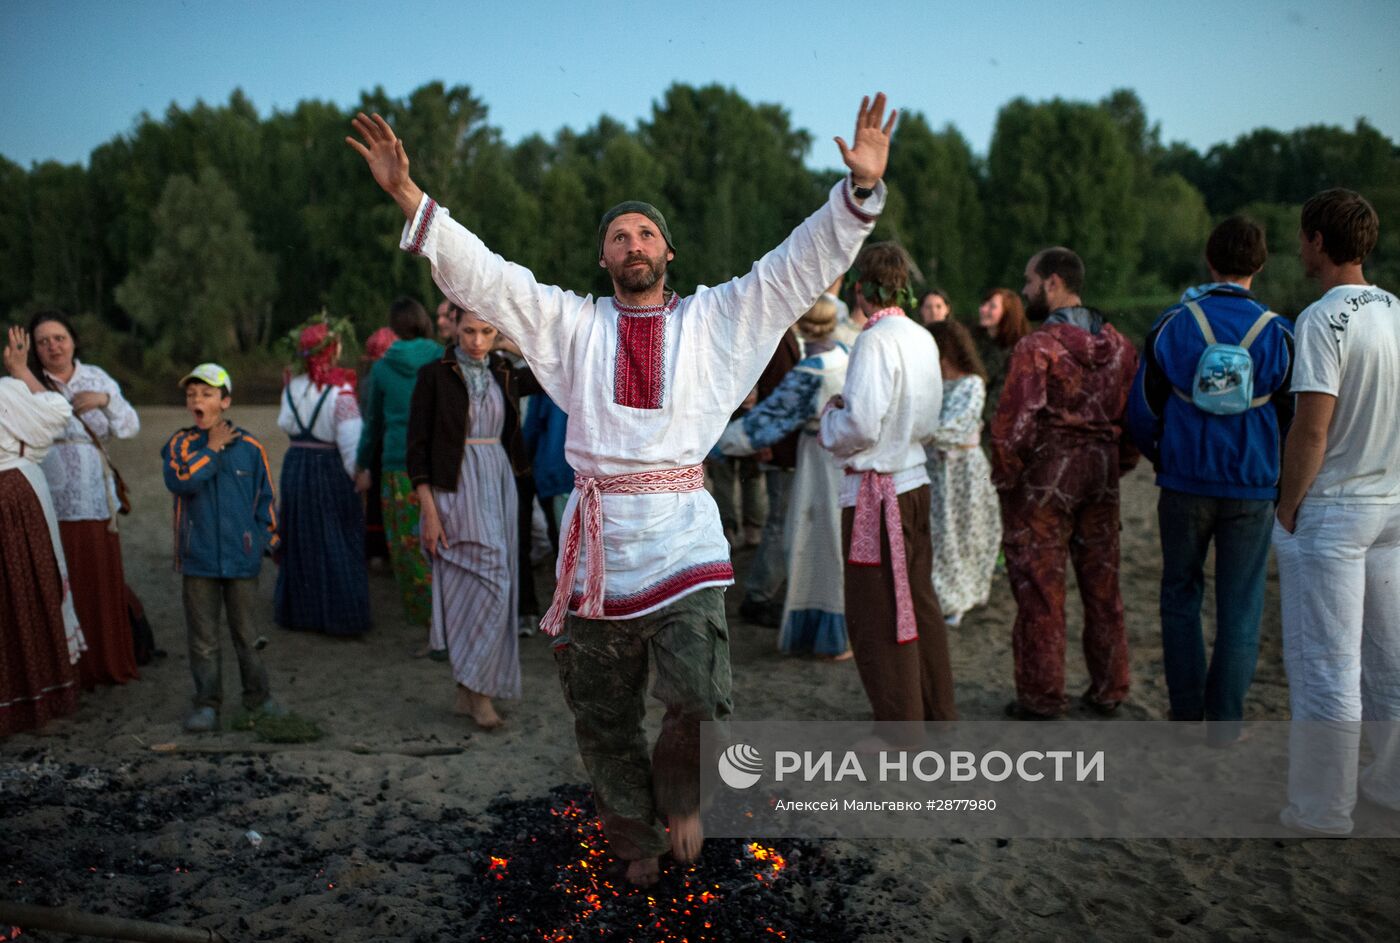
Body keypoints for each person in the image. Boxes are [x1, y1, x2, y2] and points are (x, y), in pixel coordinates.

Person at [348, 91, 895, 885]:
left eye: (645, 233)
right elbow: (489, 277)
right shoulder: (571, 325)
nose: (632, 243)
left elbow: (794, 265)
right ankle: (635, 837)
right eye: (617, 236)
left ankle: (683, 796)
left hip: (684, 542)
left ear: (667, 253)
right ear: (603, 260)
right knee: (603, 719)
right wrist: (407, 194)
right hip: (599, 548)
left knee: (703, 697)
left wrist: (858, 196)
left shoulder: (717, 319)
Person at [1125, 217, 1294, 741]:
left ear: (1208, 259)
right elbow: (1295, 417)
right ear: (1260, 265)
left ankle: (1184, 716)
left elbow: (1140, 409)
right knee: (1241, 606)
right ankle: (1224, 725)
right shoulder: (1279, 332)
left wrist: (1163, 456)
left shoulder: (1173, 324)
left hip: (1183, 482)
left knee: (1180, 594)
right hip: (1253, 488)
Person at [1273, 189, 1400, 835]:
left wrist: (1288, 503)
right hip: (1394, 506)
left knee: (1327, 663)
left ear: (1319, 241)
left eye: (1302, 237)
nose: (1299, 248)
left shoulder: (1323, 318)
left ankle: (1323, 808)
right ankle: (1394, 783)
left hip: (1339, 508)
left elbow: (1311, 429)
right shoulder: (1397, 311)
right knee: (1390, 657)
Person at [991, 248, 1139, 720]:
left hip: (1045, 481)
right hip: (1100, 475)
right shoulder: (1121, 347)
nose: (1025, 289)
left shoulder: (1037, 348)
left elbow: (1013, 425)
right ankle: (1110, 687)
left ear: (1052, 283)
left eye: (1029, 281)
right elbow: (1136, 417)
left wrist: (1007, 478)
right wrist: (1120, 463)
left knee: (1040, 588)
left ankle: (1041, 694)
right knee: (1103, 587)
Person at [820, 242, 957, 722]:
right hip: (914, 481)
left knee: (878, 612)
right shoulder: (922, 336)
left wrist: (830, 419)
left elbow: (860, 425)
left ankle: (900, 726)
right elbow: (926, 419)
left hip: (879, 494)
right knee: (918, 602)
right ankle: (936, 710)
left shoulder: (875, 340)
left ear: (861, 290)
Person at [408, 306, 540, 729]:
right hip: (454, 486)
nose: (477, 341)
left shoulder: (504, 369)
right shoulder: (434, 375)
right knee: (480, 586)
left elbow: (549, 368)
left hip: (498, 481)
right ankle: (478, 692)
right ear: (453, 329)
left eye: (486, 332)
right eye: (469, 331)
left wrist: (507, 341)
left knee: (495, 587)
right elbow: (417, 449)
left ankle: (470, 689)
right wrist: (428, 512)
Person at [717, 296, 852, 658]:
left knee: (812, 539)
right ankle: (838, 629)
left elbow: (768, 421)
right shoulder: (844, 355)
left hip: (816, 458)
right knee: (829, 537)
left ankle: (826, 634)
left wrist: (716, 443)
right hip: (836, 457)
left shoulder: (813, 370)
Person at [161, 364, 282, 733]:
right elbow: (181, 481)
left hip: (241, 561)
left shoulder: (251, 448)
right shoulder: (180, 444)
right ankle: (207, 704)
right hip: (198, 561)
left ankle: (258, 699)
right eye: (192, 394)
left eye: (207, 393)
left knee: (247, 635)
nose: (197, 399)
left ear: (225, 401)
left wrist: (262, 542)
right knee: (204, 640)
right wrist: (212, 449)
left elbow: (266, 502)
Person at [28, 310, 141, 689]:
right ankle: (64, 671)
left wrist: (105, 399)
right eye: (43, 341)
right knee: (58, 578)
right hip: (47, 496)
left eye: (58, 337)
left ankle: (102, 662)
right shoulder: (27, 383)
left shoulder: (96, 377)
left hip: (93, 496)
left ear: (73, 340)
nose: (52, 346)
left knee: (95, 575)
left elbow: (129, 427)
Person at [0, 326, 84, 736]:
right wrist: (19, 370)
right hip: (15, 494)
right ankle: (38, 693)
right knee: (26, 586)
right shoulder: (10, 392)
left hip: (16, 489)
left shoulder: (8, 394)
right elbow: (58, 412)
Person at [274, 316, 370, 636]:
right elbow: (350, 442)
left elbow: (286, 423)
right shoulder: (341, 393)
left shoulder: (292, 387)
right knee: (336, 537)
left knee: (301, 536)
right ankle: (339, 614)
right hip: (328, 467)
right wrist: (357, 474)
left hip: (296, 465)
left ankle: (300, 612)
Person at [354, 299, 443, 629]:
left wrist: (362, 463)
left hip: (397, 465)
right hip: (437, 465)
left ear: (393, 328)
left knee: (407, 546)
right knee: (446, 541)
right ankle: (450, 618)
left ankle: (426, 621)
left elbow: (373, 423)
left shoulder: (381, 368)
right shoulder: (440, 356)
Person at [925, 320, 1001, 627]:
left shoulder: (972, 384)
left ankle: (959, 597)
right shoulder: (932, 384)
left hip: (963, 470)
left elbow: (954, 427)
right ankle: (943, 594)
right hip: (935, 470)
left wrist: (915, 432)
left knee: (965, 532)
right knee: (939, 534)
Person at [737, 326, 803, 628]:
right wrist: (767, 441)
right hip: (781, 445)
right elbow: (772, 392)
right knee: (780, 521)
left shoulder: (782, 333)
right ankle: (758, 595)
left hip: (782, 442)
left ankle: (763, 592)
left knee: (781, 519)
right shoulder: (777, 334)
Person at [360, 326, 398, 564]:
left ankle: (375, 549)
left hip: (372, 443)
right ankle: (386, 548)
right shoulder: (384, 376)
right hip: (386, 443)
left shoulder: (367, 379)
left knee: (374, 498)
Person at [522, 391, 573, 554]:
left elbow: (532, 428)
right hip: (597, 478)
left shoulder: (547, 381)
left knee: (564, 549)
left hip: (557, 474)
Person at [974, 288, 1031, 426]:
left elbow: (1002, 395)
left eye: (992, 306)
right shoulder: (973, 341)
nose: (983, 309)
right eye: (984, 304)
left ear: (1008, 313)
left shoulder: (1018, 352)